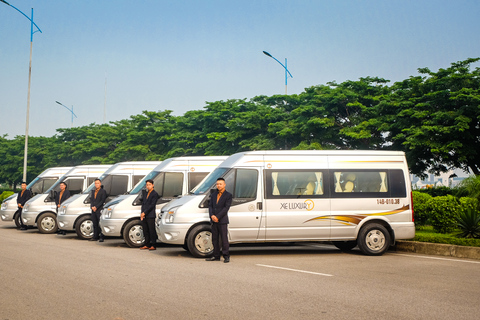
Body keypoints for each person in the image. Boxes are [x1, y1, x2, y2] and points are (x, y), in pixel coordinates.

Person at [206, 177, 232, 263]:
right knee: (215, 239)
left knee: (224, 239)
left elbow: (226, 208)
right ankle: (216, 256)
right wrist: (212, 216)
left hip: (222, 220)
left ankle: (226, 256)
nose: (218, 185)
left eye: (220, 184)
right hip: (214, 220)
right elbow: (210, 206)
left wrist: (217, 217)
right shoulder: (213, 195)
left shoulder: (228, 195)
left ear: (224, 185)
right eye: (217, 184)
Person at [139, 179, 159, 250]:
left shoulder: (155, 194)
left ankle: (153, 244)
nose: (148, 186)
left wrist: (145, 212)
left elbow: (152, 205)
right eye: (147, 185)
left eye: (149, 185)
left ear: (153, 185)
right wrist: (142, 213)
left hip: (150, 215)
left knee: (151, 230)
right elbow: (143, 204)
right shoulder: (145, 193)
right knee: (145, 230)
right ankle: (146, 244)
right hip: (144, 214)